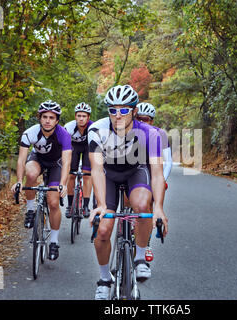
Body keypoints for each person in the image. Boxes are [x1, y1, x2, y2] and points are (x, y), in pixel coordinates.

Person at [88, 85, 168, 300]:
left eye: (124, 110)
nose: (118, 115)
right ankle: (104, 279)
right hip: (109, 174)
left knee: (143, 207)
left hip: (136, 171)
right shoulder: (96, 130)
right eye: (112, 110)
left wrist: (158, 207)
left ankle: (140, 257)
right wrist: (101, 205)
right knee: (103, 230)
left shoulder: (149, 133)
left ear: (134, 111)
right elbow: (96, 169)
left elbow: (157, 173)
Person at [11, 100, 72, 261]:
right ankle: (30, 210)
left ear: (57, 120)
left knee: (53, 202)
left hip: (56, 164)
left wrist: (62, 184)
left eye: (51, 118)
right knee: (30, 175)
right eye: (44, 117)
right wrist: (18, 181)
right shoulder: (30, 133)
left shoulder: (63, 134)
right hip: (38, 159)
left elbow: (66, 162)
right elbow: (21, 160)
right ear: (39, 118)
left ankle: (54, 241)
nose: (47, 120)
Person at [135, 102, 172, 261]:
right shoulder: (130, 132)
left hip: (152, 170)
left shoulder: (159, 134)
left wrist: (162, 180)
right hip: (134, 171)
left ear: (152, 120)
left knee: (149, 205)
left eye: (147, 119)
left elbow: (168, 161)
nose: (143, 122)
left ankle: (146, 244)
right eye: (139, 118)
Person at [64, 102, 93, 219]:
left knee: (87, 175)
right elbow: (64, 145)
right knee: (71, 175)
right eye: (79, 116)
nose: (81, 119)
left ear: (88, 117)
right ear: (75, 116)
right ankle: (70, 205)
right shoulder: (69, 127)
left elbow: (98, 145)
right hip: (74, 147)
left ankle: (86, 206)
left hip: (88, 147)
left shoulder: (93, 127)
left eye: (84, 116)